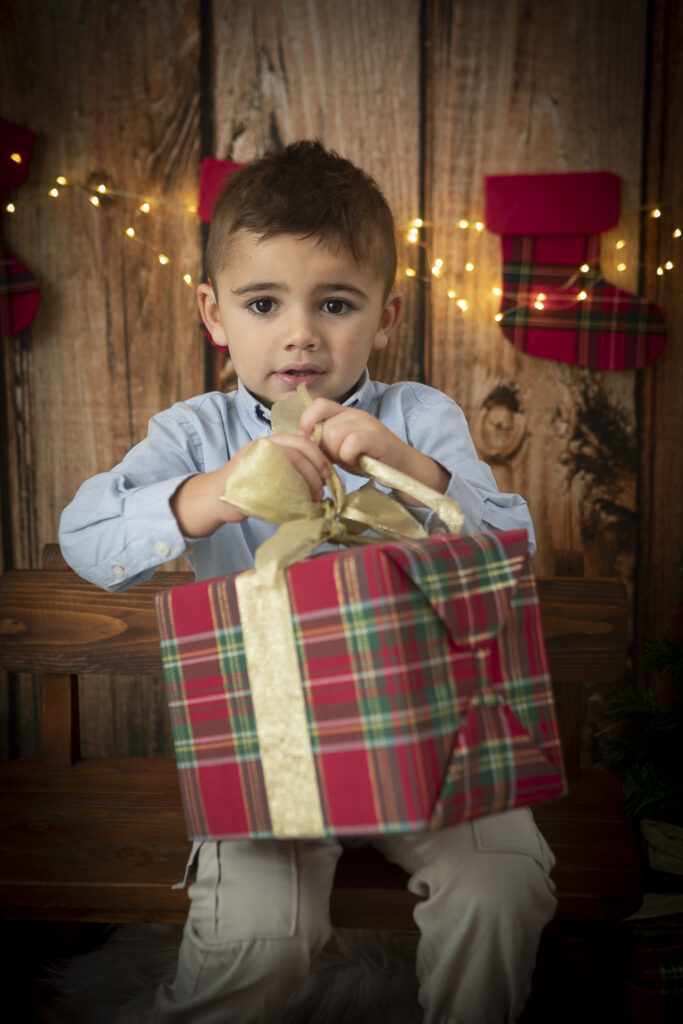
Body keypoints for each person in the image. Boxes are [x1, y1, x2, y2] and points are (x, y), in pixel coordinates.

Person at [59, 140, 557, 1024]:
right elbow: (86, 539)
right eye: (263, 303)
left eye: (335, 303)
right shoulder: (196, 431)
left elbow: (511, 547)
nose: (300, 334)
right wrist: (212, 493)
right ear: (213, 315)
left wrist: (413, 469)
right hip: (268, 741)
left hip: (427, 730)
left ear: (385, 314)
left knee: (498, 887)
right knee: (258, 936)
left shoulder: (418, 417)